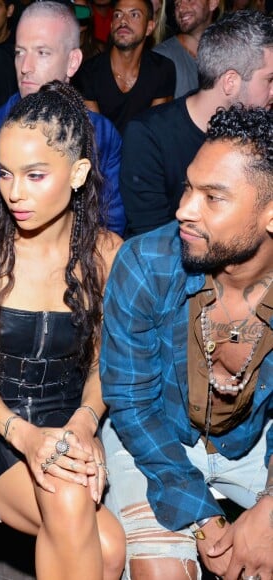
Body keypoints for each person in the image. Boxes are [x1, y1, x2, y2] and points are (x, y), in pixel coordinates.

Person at [0, 80, 125, 580]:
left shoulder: (107, 255)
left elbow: (101, 365)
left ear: (79, 173)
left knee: (110, 551)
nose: (14, 192)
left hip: (70, 423)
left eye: (35, 174)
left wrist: (84, 425)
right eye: (4, 174)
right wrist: (24, 436)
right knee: (73, 507)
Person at [101, 103, 273, 580]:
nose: (183, 210)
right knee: (163, 574)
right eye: (188, 187)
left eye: (212, 198)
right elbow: (132, 405)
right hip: (155, 436)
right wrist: (204, 516)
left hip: (253, 442)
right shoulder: (146, 263)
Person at [0, 0, 126, 236]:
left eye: (42, 53)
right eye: (20, 52)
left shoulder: (101, 132)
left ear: (72, 62)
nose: (25, 67)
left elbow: (110, 223)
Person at [120, 10, 273, 238]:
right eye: (270, 80)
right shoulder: (148, 136)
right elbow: (153, 242)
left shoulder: (263, 129)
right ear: (230, 82)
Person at [73, 0, 175, 133]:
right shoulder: (87, 73)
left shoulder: (162, 69)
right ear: (111, 26)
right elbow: (97, 138)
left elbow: (154, 132)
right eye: (117, 15)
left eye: (134, 15)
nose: (123, 21)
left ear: (149, 27)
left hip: (143, 151)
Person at [153, 0, 218, 98]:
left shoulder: (228, 53)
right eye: (177, 4)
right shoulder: (161, 58)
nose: (181, 9)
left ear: (212, 3)